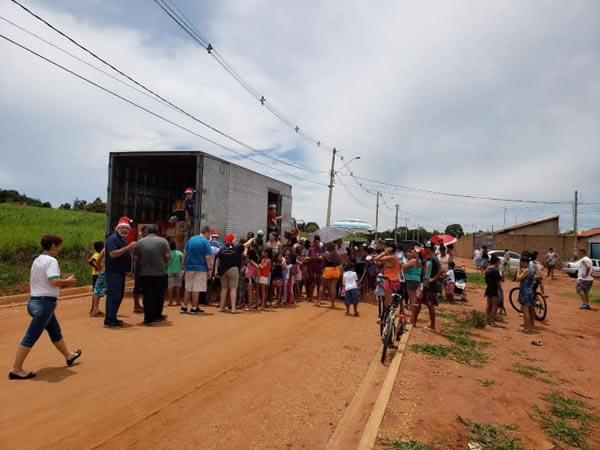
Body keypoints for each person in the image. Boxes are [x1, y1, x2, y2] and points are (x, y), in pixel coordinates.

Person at [10, 234, 81, 380]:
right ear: (53, 246)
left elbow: (46, 281)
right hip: (44, 305)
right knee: (30, 336)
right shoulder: (51, 260)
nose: (59, 249)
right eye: (59, 246)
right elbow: (53, 281)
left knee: (55, 330)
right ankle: (16, 369)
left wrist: (63, 282)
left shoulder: (37, 260)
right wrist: (68, 282)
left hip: (34, 302)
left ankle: (68, 355)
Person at [134, 224, 170, 326]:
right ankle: (157, 315)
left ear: (147, 231)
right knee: (159, 295)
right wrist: (162, 261)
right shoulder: (163, 241)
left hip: (145, 273)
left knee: (148, 296)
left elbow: (135, 258)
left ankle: (148, 319)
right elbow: (167, 256)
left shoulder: (140, 242)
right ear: (157, 232)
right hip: (160, 273)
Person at [104, 217, 136, 328]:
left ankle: (113, 317)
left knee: (119, 295)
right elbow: (113, 254)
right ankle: (109, 319)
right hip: (113, 272)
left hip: (120, 272)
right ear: (117, 228)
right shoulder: (113, 239)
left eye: (127, 228)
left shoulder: (122, 240)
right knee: (114, 295)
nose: (125, 230)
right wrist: (128, 248)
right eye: (122, 228)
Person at [181, 226, 213, 314]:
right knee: (196, 288)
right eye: (209, 234)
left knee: (188, 287)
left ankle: (184, 307)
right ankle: (194, 307)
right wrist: (210, 269)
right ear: (207, 232)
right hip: (200, 268)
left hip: (189, 267)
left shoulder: (191, 239)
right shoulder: (205, 242)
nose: (209, 236)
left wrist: (183, 265)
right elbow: (207, 257)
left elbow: (185, 253)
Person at [411, 241, 442, 331]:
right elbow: (418, 265)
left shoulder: (434, 258)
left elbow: (441, 270)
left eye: (424, 248)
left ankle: (432, 326)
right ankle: (414, 321)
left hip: (430, 285)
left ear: (428, 248)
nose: (423, 250)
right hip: (425, 284)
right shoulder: (428, 258)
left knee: (430, 304)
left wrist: (433, 279)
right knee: (418, 302)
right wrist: (417, 255)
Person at [215, 233, 243, 313]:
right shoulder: (237, 248)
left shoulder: (222, 250)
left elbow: (217, 260)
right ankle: (233, 308)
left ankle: (221, 307)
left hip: (223, 271)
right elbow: (245, 245)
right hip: (233, 270)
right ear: (234, 240)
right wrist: (251, 240)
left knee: (224, 289)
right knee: (233, 289)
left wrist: (216, 270)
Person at [374, 243, 401, 308]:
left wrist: (386, 252)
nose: (384, 249)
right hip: (394, 280)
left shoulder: (391, 257)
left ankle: (387, 313)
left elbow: (376, 259)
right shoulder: (394, 257)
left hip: (390, 280)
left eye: (385, 248)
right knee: (389, 300)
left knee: (387, 302)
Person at [516, 255, 535, 333]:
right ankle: (528, 327)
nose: (520, 264)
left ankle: (526, 328)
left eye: (521, 262)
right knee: (526, 310)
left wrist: (518, 269)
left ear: (524, 262)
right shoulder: (532, 270)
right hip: (529, 290)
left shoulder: (526, 271)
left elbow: (518, 278)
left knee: (525, 311)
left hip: (525, 292)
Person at [318, 243, 341, 308]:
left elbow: (321, 259)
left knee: (323, 286)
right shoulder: (338, 254)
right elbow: (340, 263)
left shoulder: (326, 253)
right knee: (333, 287)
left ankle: (319, 302)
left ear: (328, 247)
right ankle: (332, 304)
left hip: (328, 269)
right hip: (336, 270)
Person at [132, 226, 148, 314]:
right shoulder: (138, 244)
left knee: (146, 288)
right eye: (145, 232)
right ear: (142, 233)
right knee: (137, 287)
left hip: (148, 269)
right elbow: (135, 257)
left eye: (148, 232)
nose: (147, 234)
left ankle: (143, 305)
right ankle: (136, 305)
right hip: (140, 268)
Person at [484, 255, 502, 326]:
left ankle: (487, 320)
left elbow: (485, 278)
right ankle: (492, 321)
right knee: (495, 305)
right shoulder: (495, 270)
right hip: (494, 289)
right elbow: (498, 282)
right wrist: (501, 291)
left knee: (489, 305)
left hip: (489, 288)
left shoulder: (487, 269)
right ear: (496, 262)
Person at [403, 247, 422, 312]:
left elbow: (403, 267)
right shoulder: (417, 260)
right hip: (415, 280)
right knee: (413, 298)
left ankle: (413, 314)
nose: (408, 253)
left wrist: (401, 263)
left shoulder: (413, 260)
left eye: (411, 252)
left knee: (413, 298)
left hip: (411, 279)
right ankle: (413, 313)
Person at [89, 245, 106, 317]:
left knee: (96, 291)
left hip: (96, 274)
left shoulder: (97, 254)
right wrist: (97, 267)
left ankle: (93, 309)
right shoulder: (97, 254)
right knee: (96, 291)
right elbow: (90, 261)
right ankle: (94, 309)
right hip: (97, 274)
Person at [167, 240, 184, 306]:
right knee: (178, 286)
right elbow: (183, 260)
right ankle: (178, 301)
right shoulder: (179, 253)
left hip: (170, 271)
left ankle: (170, 301)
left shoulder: (168, 253)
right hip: (178, 271)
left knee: (170, 287)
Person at [307, 236, 324, 302]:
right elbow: (307, 258)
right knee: (312, 283)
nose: (317, 244)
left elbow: (321, 258)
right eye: (316, 243)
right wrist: (316, 258)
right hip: (311, 267)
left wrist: (313, 258)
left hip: (318, 268)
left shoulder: (321, 250)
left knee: (318, 282)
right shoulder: (311, 249)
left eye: (318, 243)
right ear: (314, 243)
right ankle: (311, 297)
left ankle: (318, 298)